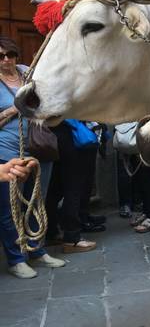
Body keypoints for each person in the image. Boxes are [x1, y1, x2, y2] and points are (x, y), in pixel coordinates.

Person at [0, 36, 64, 278]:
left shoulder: (28, 73)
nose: (7, 60)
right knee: (10, 208)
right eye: (1, 56)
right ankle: (16, 259)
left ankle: (38, 251)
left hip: (38, 150)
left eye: (11, 54)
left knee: (37, 201)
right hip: (6, 153)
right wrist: (14, 108)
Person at [46, 119, 101, 253]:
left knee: (55, 188)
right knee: (74, 187)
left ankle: (51, 232)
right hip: (69, 138)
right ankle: (72, 237)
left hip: (52, 137)